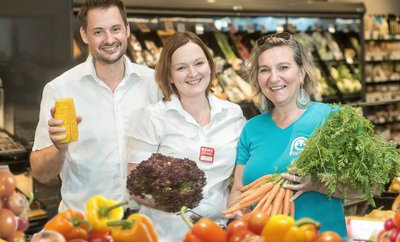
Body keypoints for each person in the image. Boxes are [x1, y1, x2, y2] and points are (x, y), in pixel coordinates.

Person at [30, 0, 160, 212]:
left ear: (127, 29)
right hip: (85, 227)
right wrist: (59, 149)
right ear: (84, 35)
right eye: (98, 32)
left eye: (115, 29)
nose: (109, 39)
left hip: (145, 224)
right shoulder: (60, 90)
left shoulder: (155, 84)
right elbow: (41, 174)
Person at [227, 32, 360, 238]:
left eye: (283, 67)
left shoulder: (334, 119)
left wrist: (317, 184)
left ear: (302, 72)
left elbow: (371, 186)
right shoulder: (251, 128)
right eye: (264, 70)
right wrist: (237, 210)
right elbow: (238, 189)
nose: (273, 78)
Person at [127, 31, 246, 241]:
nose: (193, 73)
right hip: (164, 236)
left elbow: (240, 178)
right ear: (170, 75)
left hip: (216, 233)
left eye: (199, 63)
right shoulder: (152, 117)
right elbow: (135, 185)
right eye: (181, 67)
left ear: (209, 65)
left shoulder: (233, 115)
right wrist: (177, 202)